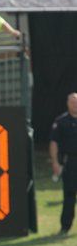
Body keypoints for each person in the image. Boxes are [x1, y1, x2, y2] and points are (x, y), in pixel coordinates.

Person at [49, 93, 77, 236]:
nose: (75, 104)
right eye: (72, 102)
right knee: (69, 195)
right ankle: (65, 226)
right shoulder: (61, 121)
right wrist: (55, 162)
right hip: (70, 162)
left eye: (76, 102)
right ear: (67, 103)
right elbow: (54, 143)